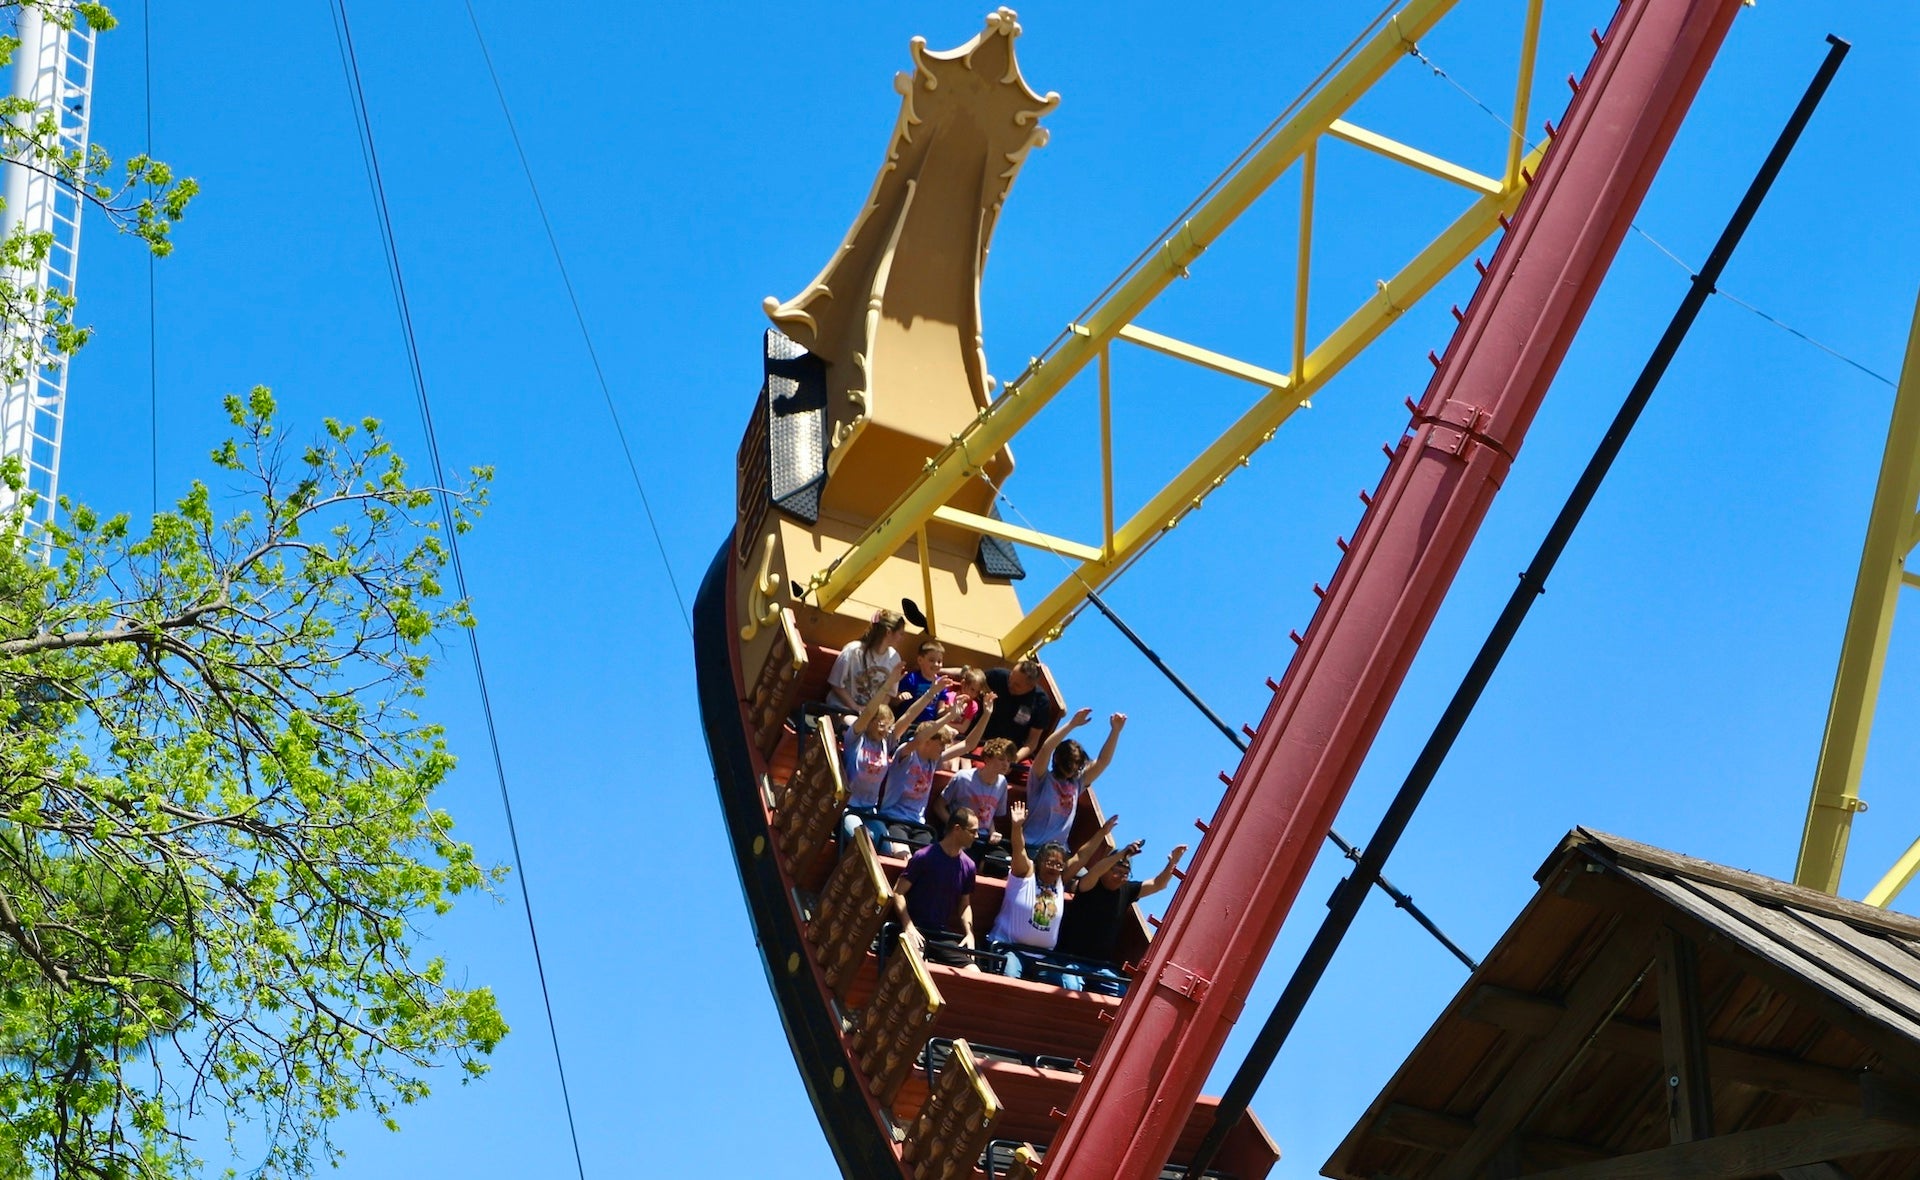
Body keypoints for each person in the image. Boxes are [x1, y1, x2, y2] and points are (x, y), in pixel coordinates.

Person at [1055, 840, 1189, 997]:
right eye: (1117, 872)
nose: (1121, 878)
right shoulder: (1090, 883)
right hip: (1071, 960)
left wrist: (1173, 862)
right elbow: (1095, 871)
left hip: (1101, 966)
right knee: (1071, 987)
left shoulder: (1127, 890)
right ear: (1106, 869)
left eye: (1125, 874)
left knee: (1123, 994)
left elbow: (1157, 884)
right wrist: (1121, 853)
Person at [839, 665, 949, 850]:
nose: (886, 730)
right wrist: (889, 684)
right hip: (850, 806)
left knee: (887, 847)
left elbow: (908, 716)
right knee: (859, 840)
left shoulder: (886, 742)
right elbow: (867, 712)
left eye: (889, 726)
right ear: (871, 723)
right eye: (882, 725)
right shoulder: (856, 738)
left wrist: (931, 693)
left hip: (870, 810)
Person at [875, 694, 994, 854]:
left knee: (930, 859)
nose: (943, 749)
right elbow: (918, 739)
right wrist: (949, 716)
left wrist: (986, 714)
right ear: (928, 742)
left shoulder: (934, 760)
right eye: (940, 745)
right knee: (903, 856)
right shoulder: (905, 754)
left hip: (919, 824)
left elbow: (968, 745)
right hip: (894, 819)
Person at [1023, 709, 1126, 851]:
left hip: (1057, 852)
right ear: (1058, 759)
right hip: (1030, 846)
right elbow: (1046, 748)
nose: (1072, 768)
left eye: (1077, 764)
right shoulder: (1041, 778)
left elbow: (1102, 761)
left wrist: (1115, 731)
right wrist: (1072, 724)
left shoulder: (1077, 783)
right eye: (1070, 762)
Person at [891, 806, 981, 968]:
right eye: (972, 831)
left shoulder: (969, 866)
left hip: (939, 935)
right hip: (914, 928)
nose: (977, 836)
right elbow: (898, 892)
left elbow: (965, 904)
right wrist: (908, 925)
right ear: (957, 829)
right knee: (917, 966)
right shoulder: (924, 857)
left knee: (972, 970)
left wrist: (969, 934)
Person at [932, 737, 1013, 870]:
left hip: (985, 839)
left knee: (1004, 866)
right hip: (961, 837)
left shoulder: (1002, 783)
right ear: (987, 759)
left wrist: (993, 832)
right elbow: (938, 806)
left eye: (1009, 761)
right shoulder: (963, 777)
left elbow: (990, 815)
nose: (1006, 764)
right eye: (1001, 759)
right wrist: (958, 828)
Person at [826, 610, 906, 713]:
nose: (902, 638)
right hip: (843, 706)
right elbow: (836, 684)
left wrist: (874, 713)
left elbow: (888, 694)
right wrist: (855, 707)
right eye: (901, 634)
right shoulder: (854, 651)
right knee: (855, 728)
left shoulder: (894, 658)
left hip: (869, 713)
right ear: (888, 632)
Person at [982, 659, 1057, 765]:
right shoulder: (997, 676)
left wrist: (1013, 760)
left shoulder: (1041, 702)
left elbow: (1032, 741)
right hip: (983, 742)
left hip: (1012, 752)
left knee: (1029, 776)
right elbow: (971, 677)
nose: (1010, 685)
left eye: (1017, 685)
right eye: (1010, 678)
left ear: (1031, 687)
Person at [896, 638, 955, 727]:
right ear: (920, 660)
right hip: (908, 723)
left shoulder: (941, 684)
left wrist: (947, 711)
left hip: (927, 726)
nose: (936, 664)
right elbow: (894, 701)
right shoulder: (911, 678)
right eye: (931, 660)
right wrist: (900, 697)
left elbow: (939, 712)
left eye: (939, 661)